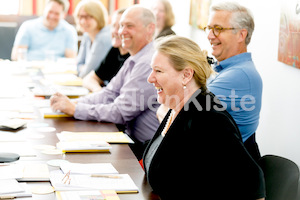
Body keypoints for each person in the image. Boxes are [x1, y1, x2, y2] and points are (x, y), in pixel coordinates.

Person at [144, 35, 265, 200]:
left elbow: (252, 182)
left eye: (158, 71)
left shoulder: (210, 120)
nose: (150, 78)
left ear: (186, 75)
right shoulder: (177, 108)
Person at [50, 5, 159, 160]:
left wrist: (75, 108)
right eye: (121, 26)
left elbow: (120, 112)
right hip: (128, 143)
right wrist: (71, 103)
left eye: (129, 26)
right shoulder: (134, 58)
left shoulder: (147, 62)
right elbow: (109, 93)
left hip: (141, 151)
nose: (121, 31)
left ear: (150, 29)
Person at [205, 1, 263, 161]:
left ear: (241, 35)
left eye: (218, 29)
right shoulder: (227, 71)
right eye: (209, 28)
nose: (210, 35)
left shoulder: (239, 75)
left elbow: (178, 112)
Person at [11, 0, 78, 61]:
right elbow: (16, 55)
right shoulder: (27, 26)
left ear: (64, 15)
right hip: (30, 69)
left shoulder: (69, 31)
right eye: (50, 12)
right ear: (44, 10)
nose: (52, 16)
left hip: (57, 71)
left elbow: (71, 59)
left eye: (56, 14)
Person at [82, 8, 130, 92]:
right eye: (113, 26)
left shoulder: (133, 57)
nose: (115, 31)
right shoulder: (115, 50)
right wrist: (98, 91)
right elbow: (88, 78)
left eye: (120, 27)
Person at [74, 0, 111, 78]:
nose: (83, 21)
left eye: (88, 17)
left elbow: (87, 73)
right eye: (80, 17)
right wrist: (83, 68)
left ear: (98, 17)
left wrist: (84, 69)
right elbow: (78, 64)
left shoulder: (103, 38)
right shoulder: (87, 35)